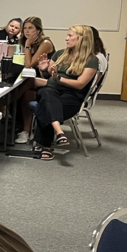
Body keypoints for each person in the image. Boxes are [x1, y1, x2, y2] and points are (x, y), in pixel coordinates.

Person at [32, 25, 99, 160]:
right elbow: (48, 77)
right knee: (47, 93)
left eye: (70, 36)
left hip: (72, 96)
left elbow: (80, 84)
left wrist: (58, 78)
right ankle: (59, 132)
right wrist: (43, 70)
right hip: (51, 91)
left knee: (44, 106)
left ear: (81, 39)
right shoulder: (60, 54)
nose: (66, 38)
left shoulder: (92, 60)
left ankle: (47, 146)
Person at [17, 16, 56, 143]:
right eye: (25, 28)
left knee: (24, 85)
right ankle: (26, 130)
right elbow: (23, 63)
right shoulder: (25, 41)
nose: (27, 31)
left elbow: (29, 64)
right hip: (34, 82)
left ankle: (6, 104)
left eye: (31, 28)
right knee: (28, 93)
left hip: (48, 81)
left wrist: (27, 46)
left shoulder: (45, 43)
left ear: (38, 30)